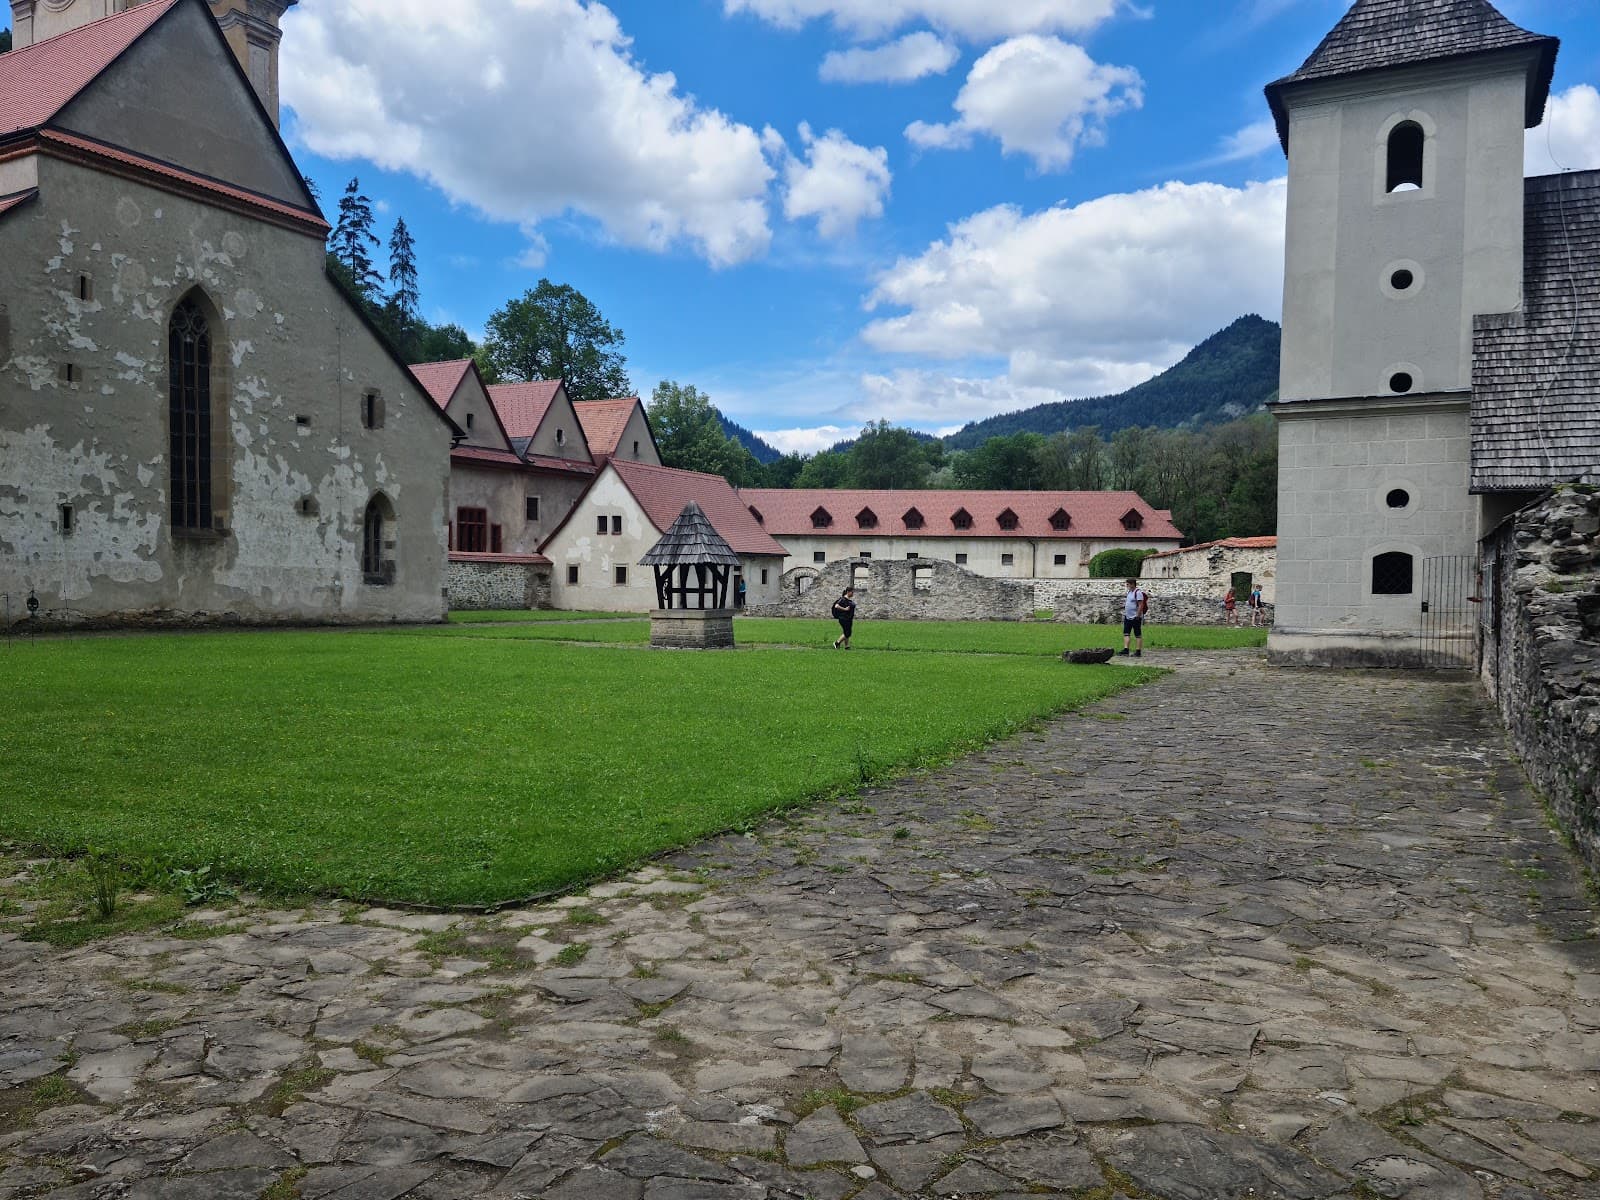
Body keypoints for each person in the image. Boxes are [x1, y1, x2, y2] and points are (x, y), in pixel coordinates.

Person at [1119, 577, 1148, 657]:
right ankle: (1126, 650)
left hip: (1135, 617)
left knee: (1137, 634)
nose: (1127, 586)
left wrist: (1138, 616)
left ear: (1132, 584)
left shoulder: (1138, 593)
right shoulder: (1129, 592)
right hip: (1128, 616)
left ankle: (1138, 651)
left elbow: (1141, 605)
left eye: (1128, 584)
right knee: (1126, 633)